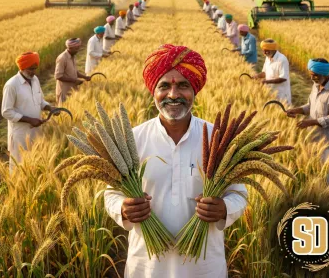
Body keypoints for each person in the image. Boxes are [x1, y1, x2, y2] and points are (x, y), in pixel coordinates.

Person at [104, 44, 247, 278]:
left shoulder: (217, 138)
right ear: (153, 92)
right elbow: (110, 194)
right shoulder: (133, 139)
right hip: (147, 267)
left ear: (195, 91)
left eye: (183, 86)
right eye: (164, 86)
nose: (173, 95)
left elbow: (239, 194)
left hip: (203, 267)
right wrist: (123, 208)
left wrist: (224, 209)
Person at [286, 59, 329, 179]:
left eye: (315, 75)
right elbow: (310, 106)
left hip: (328, 140)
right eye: (311, 74)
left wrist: (311, 122)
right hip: (313, 138)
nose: (312, 78)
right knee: (316, 170)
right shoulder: (316, 85)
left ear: (324, 74)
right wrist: (297, 110)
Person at [1, 52, 58, 171]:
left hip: (36, 131)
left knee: (34, 164)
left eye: (35, 68)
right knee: (19, 166)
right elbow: (6, 111)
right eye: (31, 69)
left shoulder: (35, 79)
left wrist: (50, 108)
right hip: (20, 134)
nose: (34, 71)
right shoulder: (12, 85)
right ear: (22, 67)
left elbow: (40, 100)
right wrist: (29, 119)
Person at [253, 39, 291, 105]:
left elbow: (283, 78)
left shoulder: (282, 60)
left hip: (281, 93)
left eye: (266, 50)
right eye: (263, 50)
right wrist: (257, 76)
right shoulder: (267, 58)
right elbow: (264, 72)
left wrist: (266, 82)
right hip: (271, 91)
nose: (264, 52)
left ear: (273, 49)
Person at [55, 38, 90, 105]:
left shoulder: (73, 56)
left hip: (73, 89)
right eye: (76, 48)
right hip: (64, 91)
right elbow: (58, 76)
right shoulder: (62, 58)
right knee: (64, 110)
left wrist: (85, 77)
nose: (78, 50)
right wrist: (74, 80)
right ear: (70, 48)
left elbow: (74, 71)